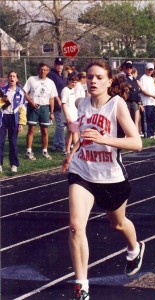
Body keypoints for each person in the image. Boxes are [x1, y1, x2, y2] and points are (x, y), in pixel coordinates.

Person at [62, 60, 144, 300]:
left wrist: (105, 139)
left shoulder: (116, 104)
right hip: (83, 170)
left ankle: (134, 249)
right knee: (76, 225)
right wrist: (72, 153)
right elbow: (84, 134)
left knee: (118, 224)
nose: (93, 81)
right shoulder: (82, 103)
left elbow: (136, 143)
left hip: (110, 177)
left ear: (109, 81)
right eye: (89, 77)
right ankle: (81, 287)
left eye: (98, 77)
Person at [23, 62, 58, 160]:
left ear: (48, 71)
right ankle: (29, 151)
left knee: (45, 131)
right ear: (38, 70)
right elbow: (25, 92)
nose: (43, 71)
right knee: (31, 129)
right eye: (41, 69)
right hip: (33, 107)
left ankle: (45, 151)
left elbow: (52, 98)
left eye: (45, 70)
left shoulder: (51, 82)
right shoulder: (31, 79)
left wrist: (51, 112)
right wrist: (31, 102)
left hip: (44, 108)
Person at [0, 71, 26, 173]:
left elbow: (22, 108)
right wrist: (3, 101)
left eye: (14, 76)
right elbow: (0, 106)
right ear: (8, 78)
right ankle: (0, 164)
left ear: (17, 79)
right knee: (0, 141)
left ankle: (14, 164)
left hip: (14, 118)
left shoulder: (20, 92)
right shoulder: (2, 90)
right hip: (3, 118)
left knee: (13, 142)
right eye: (10, 76)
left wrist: (21, 123)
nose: (12, 78)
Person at [47, 57, 67, 153]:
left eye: (61, 64)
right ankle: (62, 145)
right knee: (61, 124)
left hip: (63, 102)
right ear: (54, 65)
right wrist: (57, 99)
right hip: (55, 102)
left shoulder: (61, 75)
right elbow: (51, 89)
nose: (59, 66)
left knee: (60, 125)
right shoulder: (51, 74)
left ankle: (56, 144)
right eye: (58, 64)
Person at [139, 63, 155, 138]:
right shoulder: (143, 78)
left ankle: (152, 133)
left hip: (152, 102)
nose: (150, 71)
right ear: (146, 69)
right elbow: (143, 91)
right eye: (149, 69)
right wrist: (152, 96)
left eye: (151, 69)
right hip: (145, 102)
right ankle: (147, 134)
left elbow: (153, 91)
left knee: (152, 119)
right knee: (146, 119)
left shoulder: (151, 79)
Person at [61, 75, 79, 154]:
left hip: (74, 114)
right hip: (69, 115)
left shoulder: (72, 90)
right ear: (68, 81)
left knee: (70, 133)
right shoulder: (65, 90)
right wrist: (67, 116)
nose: (74, 84)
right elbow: (63, 104)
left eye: (75, 82)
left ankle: (67, 149)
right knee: (74, 131)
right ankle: (77, 149)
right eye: (72, 82)